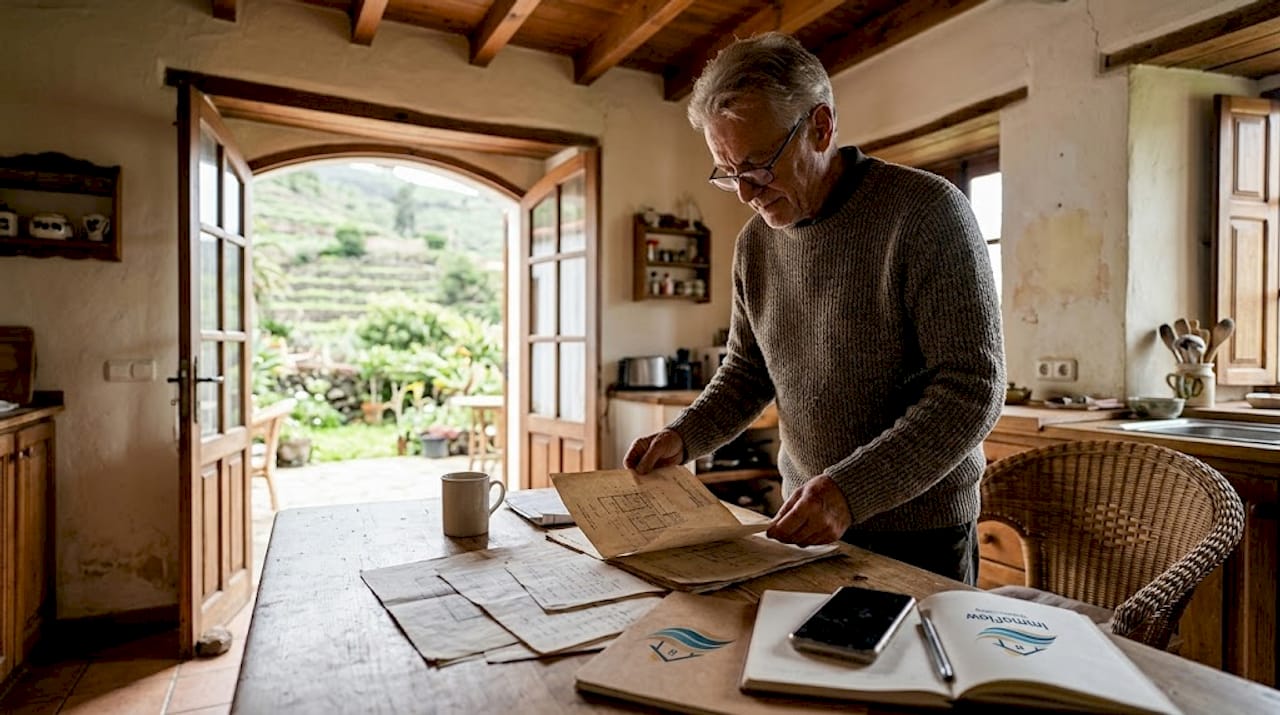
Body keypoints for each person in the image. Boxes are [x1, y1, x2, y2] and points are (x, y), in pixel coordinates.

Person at [623, 33, 1004, 585]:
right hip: (804, 521)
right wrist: (683, 437)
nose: (746, 193)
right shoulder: (755, 244)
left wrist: (850, 491)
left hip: (918, 533)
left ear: (820, 127)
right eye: (727, 172)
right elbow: (748, 371)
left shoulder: (926, 213)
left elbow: (971, 390)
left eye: (758, 166)